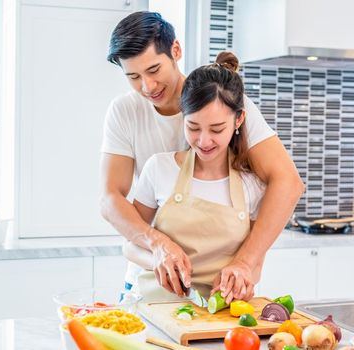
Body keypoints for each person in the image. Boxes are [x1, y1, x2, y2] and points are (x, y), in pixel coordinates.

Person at [99, 11, 304, 303]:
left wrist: (246, 261)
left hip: (222, 294)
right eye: (133, 77)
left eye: (154, 70)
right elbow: (110, 199)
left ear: (176, 51)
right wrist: (157, 244)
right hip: (153, 282)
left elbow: (287, 182)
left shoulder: (223, 101)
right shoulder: (125, 114)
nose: (147, 86)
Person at [124, 51, 265, 302]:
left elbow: (255, 263)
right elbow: (130, 245)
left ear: (239, 120)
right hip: (156, 307)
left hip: (219, 318)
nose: (204, 141)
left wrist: (244, 280)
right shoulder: (159, 168)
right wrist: (159, 256)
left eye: (216, 129)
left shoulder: (252, 184)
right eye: (193, 127)